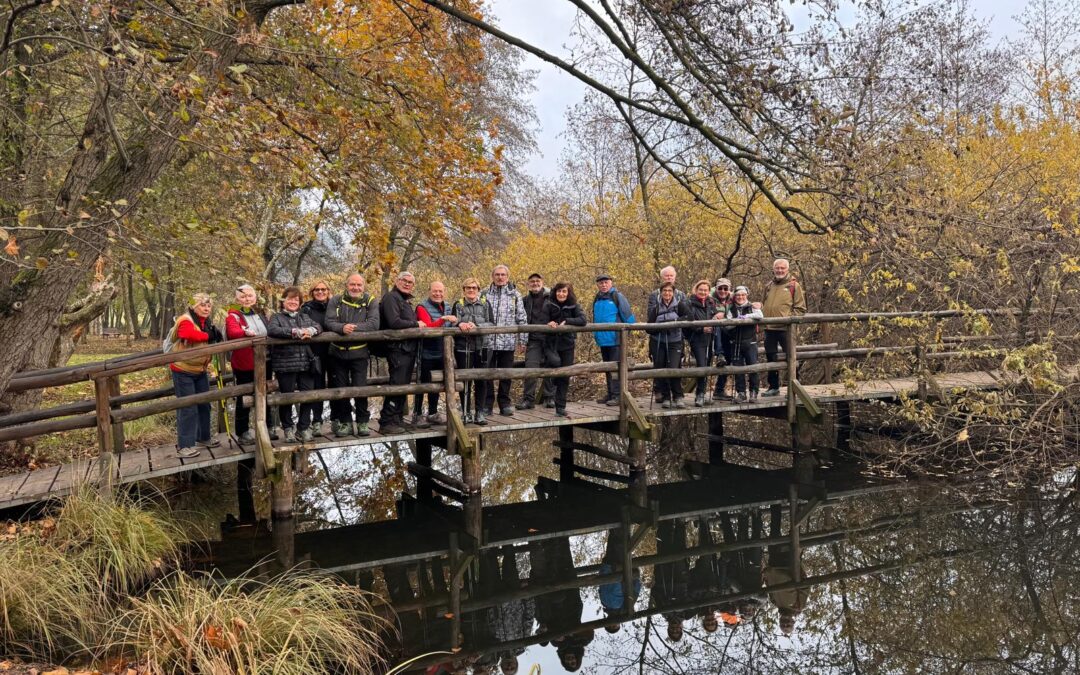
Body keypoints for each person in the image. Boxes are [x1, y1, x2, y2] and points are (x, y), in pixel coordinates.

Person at [324, 274, 380, 438]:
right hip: (337, 353)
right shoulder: (336, 300)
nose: (355, 288)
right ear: (346, 285)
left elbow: (374, 324)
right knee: (341, 390)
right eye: (352, 284)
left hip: (360, 352)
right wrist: (342, 328)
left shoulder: (371, 301)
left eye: (359, 285)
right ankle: (345, 422)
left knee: (360, 388)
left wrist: (352, 328)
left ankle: (362, 422)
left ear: (364, 286)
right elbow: (328, 322)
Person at [169, 293, 224, 459]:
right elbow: (187, 335)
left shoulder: (204, 322)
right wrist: (209, 336)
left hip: (200, 369)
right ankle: (185, 446)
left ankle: (203, 437)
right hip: (183, 369)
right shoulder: (186, 320)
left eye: (208, 306)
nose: (206, 308)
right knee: (188, 407)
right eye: (202, 305)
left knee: (204, 404)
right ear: (194, 306)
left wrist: (214, 335)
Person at [266, 286, 321, 442]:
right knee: (286, 398)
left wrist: (311, 330)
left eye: (296, 300)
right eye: (290, 299)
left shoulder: (304, 316)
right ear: (283, 301)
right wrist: (294, 332)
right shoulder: (276, 317)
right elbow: (273, 330)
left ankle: (303, 428)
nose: (293, 302)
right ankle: (288, 428)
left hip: (305, 363)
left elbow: (319, 326)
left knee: (307, 396)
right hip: (285, 364)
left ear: (300, 302)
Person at [379, 271, 424, 434]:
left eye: (410, 282)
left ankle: (397, 418)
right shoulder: (391, 298)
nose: (407, 284)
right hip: (397, 349)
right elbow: (394, 322)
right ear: (397, 281)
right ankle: (386, 422)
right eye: (404, 280)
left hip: (407, 349)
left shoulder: (403, 300)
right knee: (397, 385)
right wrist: (416, 324)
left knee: (403, 386)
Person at [225, 284, 269, 445]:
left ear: (255, 298)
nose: (247, 299)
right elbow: (233, 332)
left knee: (264, 395)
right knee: (244, 397)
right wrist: (245, 332)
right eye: (243, 297)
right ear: (237, 299)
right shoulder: (233, 315)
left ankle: (263, 426)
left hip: (264, 362)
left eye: (250, 296)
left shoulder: (258, 314)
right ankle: (242, 431)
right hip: (244, 364)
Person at [481, 265, 527, 417]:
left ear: (507, 277)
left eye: (503, 275)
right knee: (487, 374)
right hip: (487, 342)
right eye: (497, 275)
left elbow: (521, 318)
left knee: (506, 374)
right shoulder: (484, 294)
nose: (500, 277)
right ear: (492, 276)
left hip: (507, 342)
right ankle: (487, 404)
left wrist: (523, 340)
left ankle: (504, 403)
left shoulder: (515, 295)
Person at [413, 281, 458, 428]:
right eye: (435, 291)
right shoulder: (421, 307)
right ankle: (417, 414)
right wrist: (443, 319)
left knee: (437, 384)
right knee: (423, 384)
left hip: (443, 353)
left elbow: (453, 325)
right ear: (429, 291)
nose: (438, 294)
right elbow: (428, 328)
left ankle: (432, 413)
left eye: (440, 291)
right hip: (426, 353)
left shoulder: (448, 306)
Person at [762, 258, 807, 396]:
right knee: (770, 357)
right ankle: (773, 387)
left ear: (787, 269)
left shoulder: (794, 286)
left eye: (782, 268)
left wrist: (788, 319)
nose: (780, 270)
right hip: (769, 328)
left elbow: (801, 309)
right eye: (777, 268)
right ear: (773, 269)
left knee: (791, 357)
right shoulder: (769, 285)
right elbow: (764, 304)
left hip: (786, 329)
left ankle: (795, 387)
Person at [451, 279, 494, 425]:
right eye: (468, 288)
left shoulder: (485, 304)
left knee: (481, 380)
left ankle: (480, 412)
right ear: (464, 289)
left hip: (483, 347)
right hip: (463, 348)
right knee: (466, 380)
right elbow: (453, 322)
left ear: (478, 289)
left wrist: (477, 325)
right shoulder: (458, 305)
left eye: (474, 288)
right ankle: (466, 412)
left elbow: (491, 323)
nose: (471, 290)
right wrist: (460, 324)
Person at [543, 282, 587, 417]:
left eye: (564, 292)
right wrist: (548, 323)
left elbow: (583, 320)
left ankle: (560, 407)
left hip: (567, 344)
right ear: (555, 292)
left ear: (568, 293)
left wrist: (567, 321)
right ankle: (552, 387)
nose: (561, 294)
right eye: (558, 291)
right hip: (551, 343)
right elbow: (542, 318)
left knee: (565, 375)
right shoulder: (549, 304)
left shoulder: (574, 305)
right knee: (555, 365)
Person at [591, 274, 636, 406]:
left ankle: (617, 395)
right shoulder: (597, 298)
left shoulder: (617, 296)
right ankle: (611, 393)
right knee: (607, 367)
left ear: (611, 283)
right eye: (601, 283)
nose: (603, 285)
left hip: (616, 338)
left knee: (616, 368)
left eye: (606, 282)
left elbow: (627, 316)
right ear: (597, 285)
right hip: (602, 339)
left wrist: (630, 330)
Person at [648, 282, 689, 408]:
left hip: (675, 342)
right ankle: (666, 397)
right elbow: (648, 327)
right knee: (661, 368)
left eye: (669, 291)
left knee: (673, 368)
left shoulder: (679, 305)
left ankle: (678, 396)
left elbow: (689, 317)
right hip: (658, 341)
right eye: (665, 290)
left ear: (673, 292)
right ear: (661, 293)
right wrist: (660, 328)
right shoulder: (655, 308)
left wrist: (672, 322)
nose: (667, 293)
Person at [519, 272, 555, 409]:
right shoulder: (525, 300)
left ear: (542, 282)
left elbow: (560, 313)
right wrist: (521, 340)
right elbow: (520, 319)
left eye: (537, 281)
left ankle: (549, 398)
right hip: (533, 339)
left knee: (550, 367)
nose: (535, 283)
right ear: (528, 284)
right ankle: (529, 399)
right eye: (532, 281)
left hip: (550, 338)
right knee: (530, 369)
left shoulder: (551, 297)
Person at [301, 279, 332, 431]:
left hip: (334, 353)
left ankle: (337, 420)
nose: (320, 292)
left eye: (323, 289)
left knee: (336, 385)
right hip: (314, 354)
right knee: (316, 387)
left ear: (328, 291)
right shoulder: (306, 309)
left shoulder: (334, 307)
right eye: (317, 290)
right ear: (312, 292)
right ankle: (317, 421)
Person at [728, 286, 763, 403]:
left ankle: (753, 392)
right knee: (738, 369)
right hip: (736, 343)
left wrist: (745, 317)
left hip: (750, 343)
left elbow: (760, 316)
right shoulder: (731, 309)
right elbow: (727, 324)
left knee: (753, 367)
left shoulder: (752, 306)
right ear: (735, 297)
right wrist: (737, 321)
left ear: (746, 296)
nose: (740, 297)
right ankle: (741, 393)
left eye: (743, 295)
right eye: (738, 295)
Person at [686, 280, 718, 407]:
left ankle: (703, 393)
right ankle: (699, 395)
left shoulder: (711, 302)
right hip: (697, 338)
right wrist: (701, 328)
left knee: (708, 364)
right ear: (696, 290)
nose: (703, 292)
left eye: (706, 290)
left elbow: (715, 315)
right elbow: (688, 322)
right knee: (702, 365)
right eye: (701, 290)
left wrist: (717, 317)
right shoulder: (690, 303)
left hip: (710, 338)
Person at [711, 278, 735, 401]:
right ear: (716, 288)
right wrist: (715, 315)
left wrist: (759, 305)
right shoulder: (710, 298)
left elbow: (745, 302)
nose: (723, 291)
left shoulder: (733, 298)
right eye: (720, 288)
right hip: (713, 335)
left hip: (729, 334)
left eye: (726, 288)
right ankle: (719, 353)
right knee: (706, 363)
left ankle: (719, 390)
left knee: (728, 360)